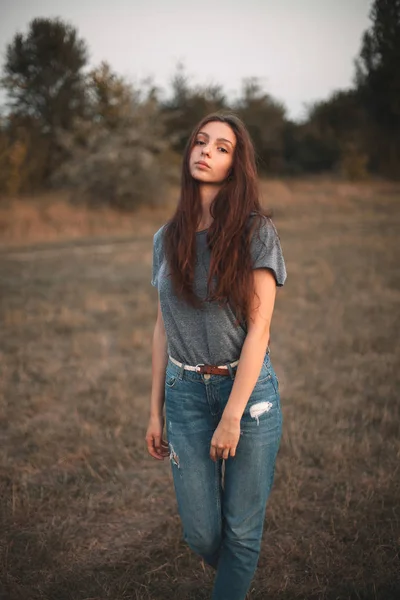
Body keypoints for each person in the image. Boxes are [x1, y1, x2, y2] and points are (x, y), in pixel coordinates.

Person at [145, 112, 287, 600]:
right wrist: (154, 410)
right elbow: (164, 323)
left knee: (242, 532)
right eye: (200, 142)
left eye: (222, 147)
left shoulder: (255, 231)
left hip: (247, 397)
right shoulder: (166, 238)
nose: (206, 151)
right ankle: (234, 573)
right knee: (202, 533)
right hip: (183, 395)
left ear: (236, 163)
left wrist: (232, 415)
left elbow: (259, 329)